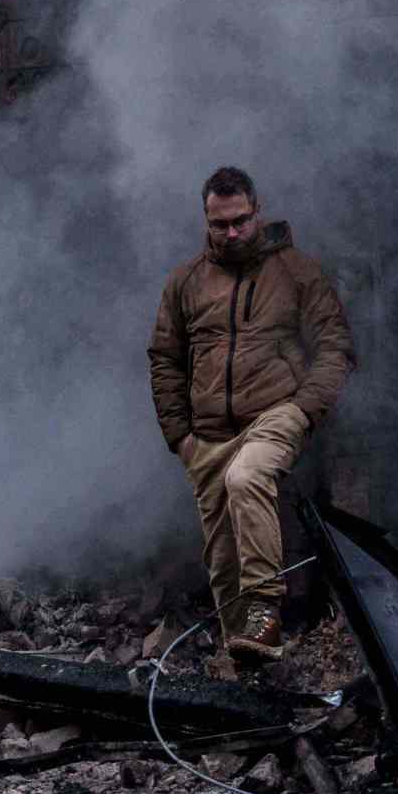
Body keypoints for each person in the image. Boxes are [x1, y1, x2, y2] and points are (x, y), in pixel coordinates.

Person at [147, 166, 353, 669]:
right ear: (206, 220)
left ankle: (266, 607)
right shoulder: (185, 281)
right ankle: (248, 661)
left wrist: (304, 409)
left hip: (276, 413)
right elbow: (164, 358)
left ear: (257, 212)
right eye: (220, 224)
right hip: (208, 434)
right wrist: (180, 437)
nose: (232, 233)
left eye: (240, 220)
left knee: (248, 477)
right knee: (221, 561)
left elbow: (335, 346)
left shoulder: (297, 272)